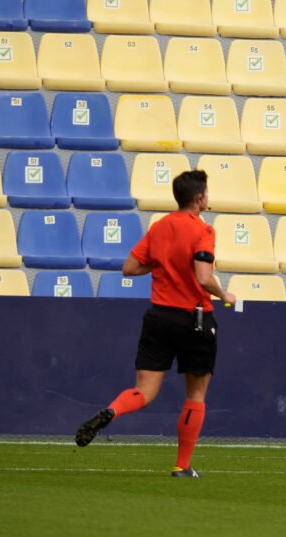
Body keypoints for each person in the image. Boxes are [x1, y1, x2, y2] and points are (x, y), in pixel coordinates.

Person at [74, 170, 236, 478]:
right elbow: (203, 277)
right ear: (199, 198)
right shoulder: (204, 231)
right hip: (195, 319)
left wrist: (162, 265)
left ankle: (113, 410)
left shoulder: (159, 227)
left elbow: (129, 268)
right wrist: (224, 293)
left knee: (144, 391)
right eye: (206, 193)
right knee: (195, 395)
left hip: (159, 318)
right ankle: (182, 466)